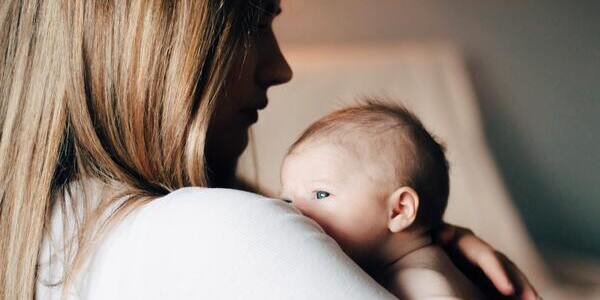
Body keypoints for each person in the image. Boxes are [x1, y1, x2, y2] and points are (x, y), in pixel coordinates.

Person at [0, 0, 538, 299]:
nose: (280, 67)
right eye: (255, 25)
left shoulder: (50, 231)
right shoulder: (212, 229)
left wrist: (429, 240)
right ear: (151, 47)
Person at [280, 101, 483, 299]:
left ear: (399, 210)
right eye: (287, 200)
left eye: (321, 194)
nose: (296, 211)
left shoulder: (421, 281)